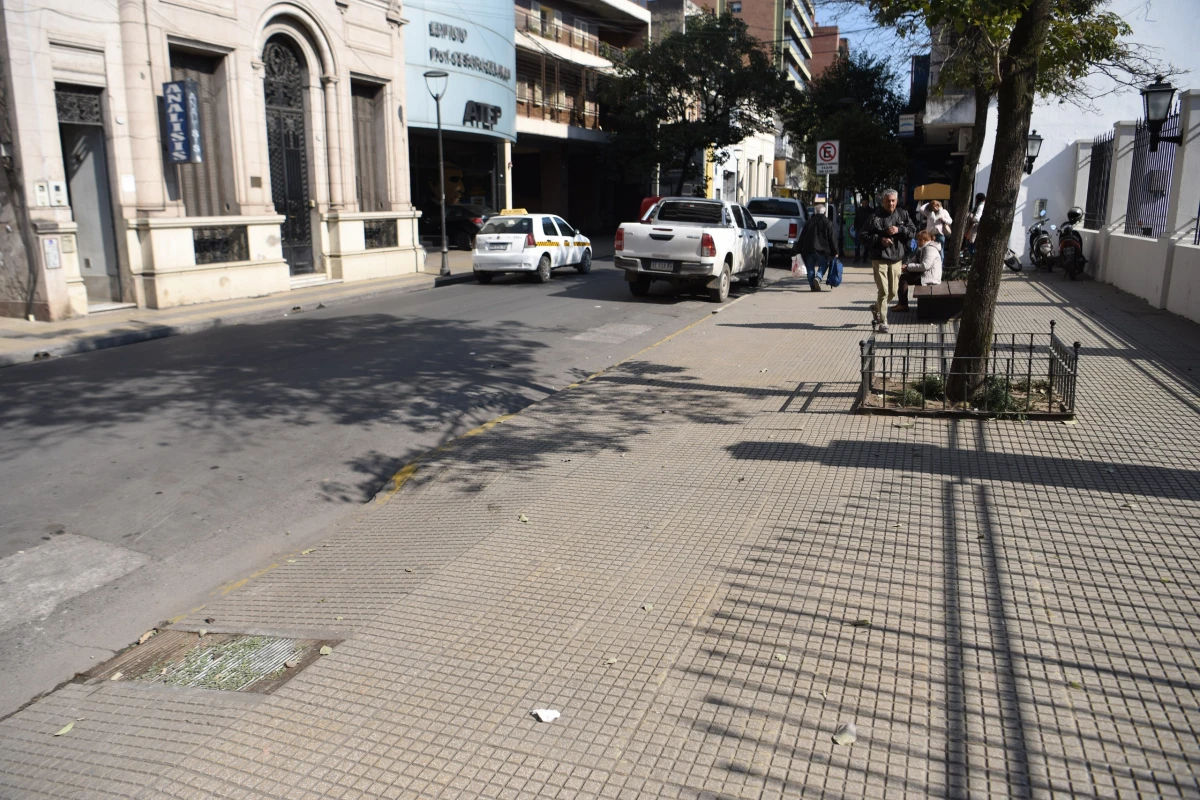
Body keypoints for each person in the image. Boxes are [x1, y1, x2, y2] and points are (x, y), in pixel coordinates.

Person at [863, 188, 916, 333]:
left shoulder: (903, 214)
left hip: (896, 258)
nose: (891, 203)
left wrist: (900, 230)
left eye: (893, 201)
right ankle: (883, 321)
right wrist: (880, 240)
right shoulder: (875, 216)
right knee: (883, 290)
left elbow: (913, 231)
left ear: (897, 201)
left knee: (892, 292)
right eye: (888, 201)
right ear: (883, 202)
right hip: (879, 258)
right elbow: (863, 235)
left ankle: (876, 307)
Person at [792, 201, 839, 292]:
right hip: (823, 250)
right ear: (824, 213)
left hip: (808, 249)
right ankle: (819, 277)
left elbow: (802, 236)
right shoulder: (828, 223)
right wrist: (835, 251)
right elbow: (832, 238)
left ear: (815, 212)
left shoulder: (809, 222)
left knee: (810, 268)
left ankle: (812, 286)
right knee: (824, 264)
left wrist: (798, 249)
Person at [892, 230, 943, 312]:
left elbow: (924, 266)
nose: (917, 241)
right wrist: (906, 265)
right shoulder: (924, 248)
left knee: (904, 278)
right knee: (905, 275)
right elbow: (915, 259)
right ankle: (902, 303)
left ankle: (903, 304)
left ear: (925, 240)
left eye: (919, 239)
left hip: (930, 277)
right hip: (926, 274)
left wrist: (908, 267)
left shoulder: (930, 249)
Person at [852, 198, 873, 262]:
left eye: (865, 203)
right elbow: (856, 218)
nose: (864, 204)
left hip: (867, 230)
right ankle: (857, 257)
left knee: (866, 245)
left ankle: (865, 257)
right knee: (857, 244)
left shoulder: (870, 210)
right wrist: (855, 227)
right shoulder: (859, 210)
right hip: (859, 229)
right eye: (863, 203)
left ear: (867, 203)